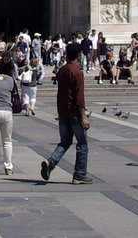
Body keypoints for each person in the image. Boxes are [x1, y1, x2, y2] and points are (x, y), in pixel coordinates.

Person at [40, 40, 90, 184]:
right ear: (79, 55)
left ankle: (51, 162)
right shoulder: (77, 72)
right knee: (82, 144)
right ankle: (79, 175)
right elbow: (79, 97)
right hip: (74, 113)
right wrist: (83, 117)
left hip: (63, 112)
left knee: (65, 142)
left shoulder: (62, 70)